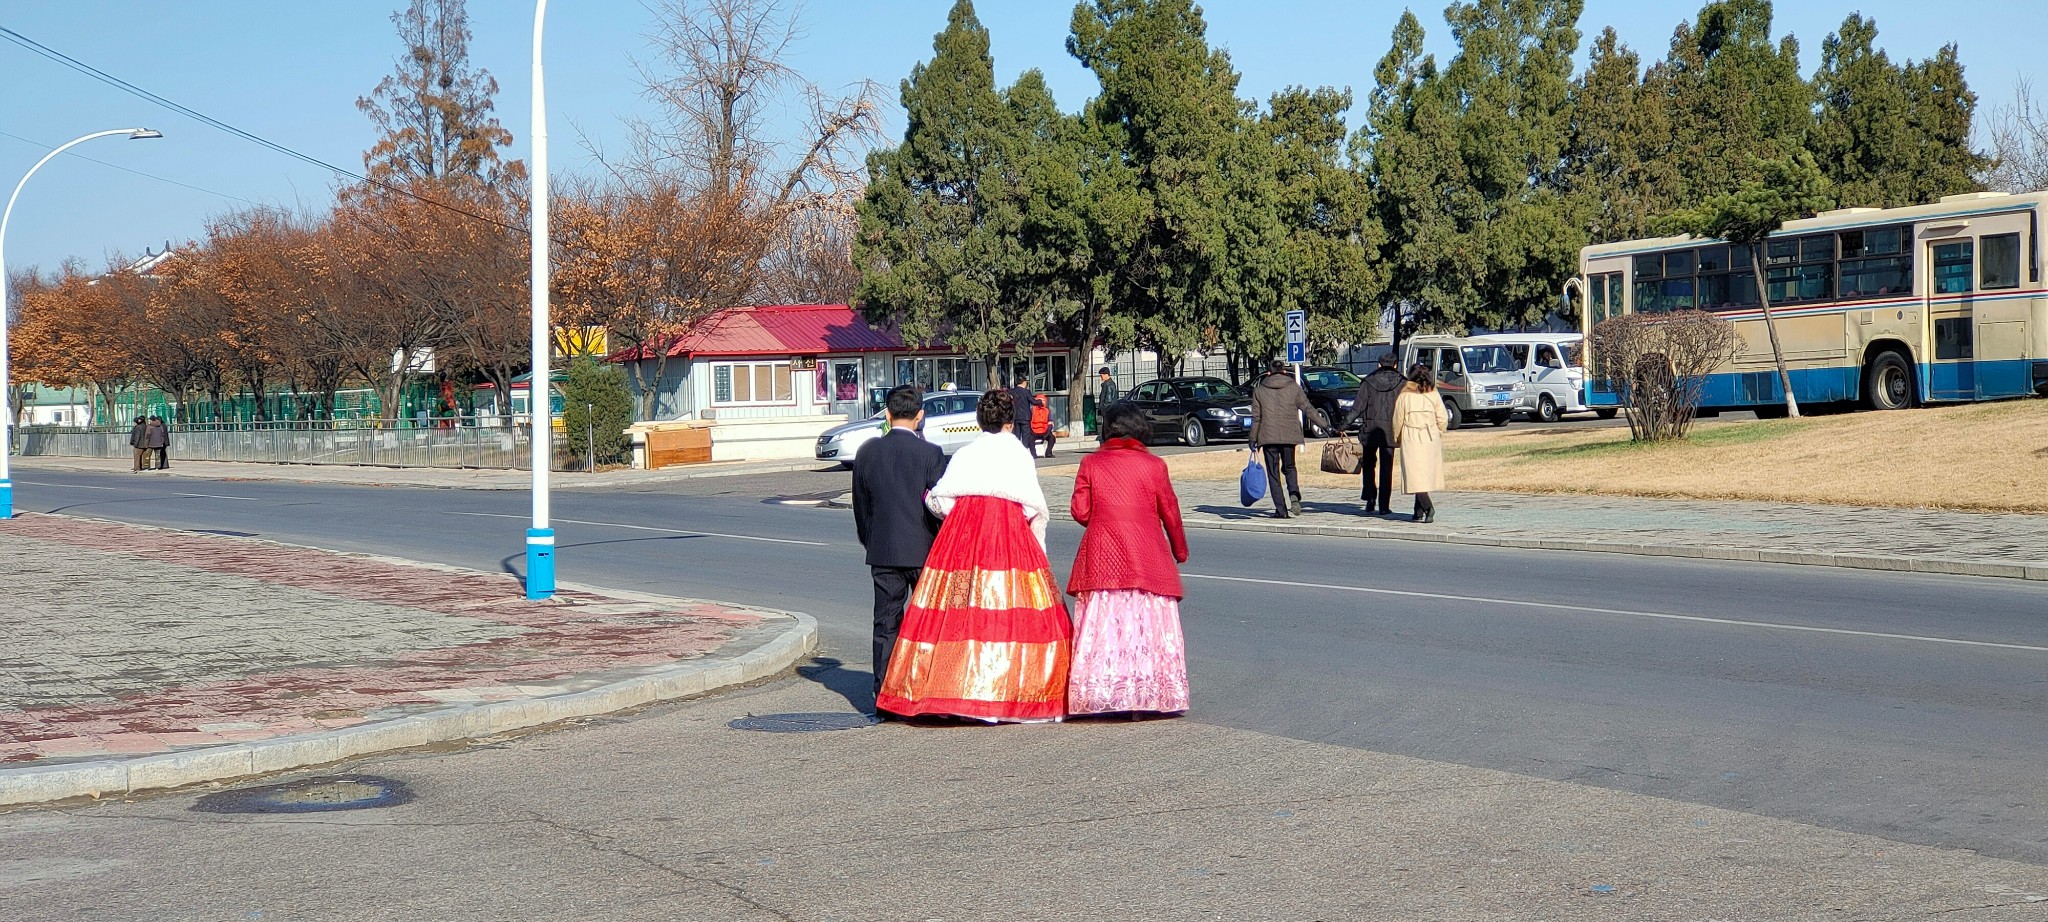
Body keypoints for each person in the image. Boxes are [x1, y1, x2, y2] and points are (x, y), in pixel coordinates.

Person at [876, 389, 1072, 722]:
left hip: (963, 536)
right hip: (1008, 533)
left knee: (958, 610)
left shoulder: (966, 453)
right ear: (1010, 421)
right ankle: (1009, 690)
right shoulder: (1019, 454)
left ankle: (952, 688)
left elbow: (940, 501)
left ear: (980, 420)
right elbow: (1033, 504)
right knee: (1008, 611)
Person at [1065, 402, 1191, 717]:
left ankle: (1103, 694)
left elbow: (1080, 511)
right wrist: (1180, 550)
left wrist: (1107, 518)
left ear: (1107, 429)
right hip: (1148, 554)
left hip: (1103, 554)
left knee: (1105, 625)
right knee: (1147, 626)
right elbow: (1170, 512)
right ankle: (1149, 693)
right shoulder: (1154, 466)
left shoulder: (1091, 464)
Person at [850, 385, 949, 710]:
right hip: (924, 550)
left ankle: (883, 694)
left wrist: (871, 539)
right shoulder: (931, 454)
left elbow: (860, 506)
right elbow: (939, 505)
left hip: (884, 549)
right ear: (920, 415)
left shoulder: (867, 452)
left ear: (888, 415)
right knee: (928, 622)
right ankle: (925, 689)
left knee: (886, 622)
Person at [1247, 359, 1327, 519]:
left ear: (1268, 372)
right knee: (1290, 467)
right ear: (1283, 371)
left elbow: (1256, 418)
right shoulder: (1293, 387)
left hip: (1268, 437)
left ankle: (1281, 510)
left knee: (1273, 473)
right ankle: (1294, 493)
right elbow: (1308, 408)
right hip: (1289, 435)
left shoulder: (1259, 390)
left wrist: (1253, 438)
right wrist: (1324, 424)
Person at [1340, 353, 1405, 515]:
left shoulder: (1368, 382)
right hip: (1391, 431)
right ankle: (1384, 505)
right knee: (1386, 468)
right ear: (1395, 365)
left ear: (1379, 365)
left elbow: (1357, 408)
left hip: (1369, 430)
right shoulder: (1403, 383)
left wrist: (1343, 425)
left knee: (1368, 465)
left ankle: (1370, 497)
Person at [1392, 363, 1450, 523]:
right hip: (1430, 436)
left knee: (1415, 476)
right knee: (1421, 476)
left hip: (1412, 437)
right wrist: (1439, 431)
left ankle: (1428, 507)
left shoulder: (1405, 395)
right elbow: (1443, 417)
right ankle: (1417, 512)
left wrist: (1396, 437)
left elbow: (1398, 419)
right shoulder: (1433, 393)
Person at [1008, 374, 1038, 458]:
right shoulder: (1026, 392)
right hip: (1025, 417)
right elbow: (1033, 402)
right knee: (1026, 436)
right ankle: (1023, 452)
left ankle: (1016, 452)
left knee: (1016, 435)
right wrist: (1040, 401)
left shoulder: (1011, 391)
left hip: (1016, 417)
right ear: (1024, 382)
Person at [1094, 367, 1120, 444]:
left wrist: (1102, 409)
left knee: (1107, 430)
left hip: (1108, 411)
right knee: (1107, 430)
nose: (1100, 377)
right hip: (1109, 411)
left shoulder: (1108, 385)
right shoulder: (1108, 384)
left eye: (1101, 375)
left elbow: (1108, 400)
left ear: (1106, 375)